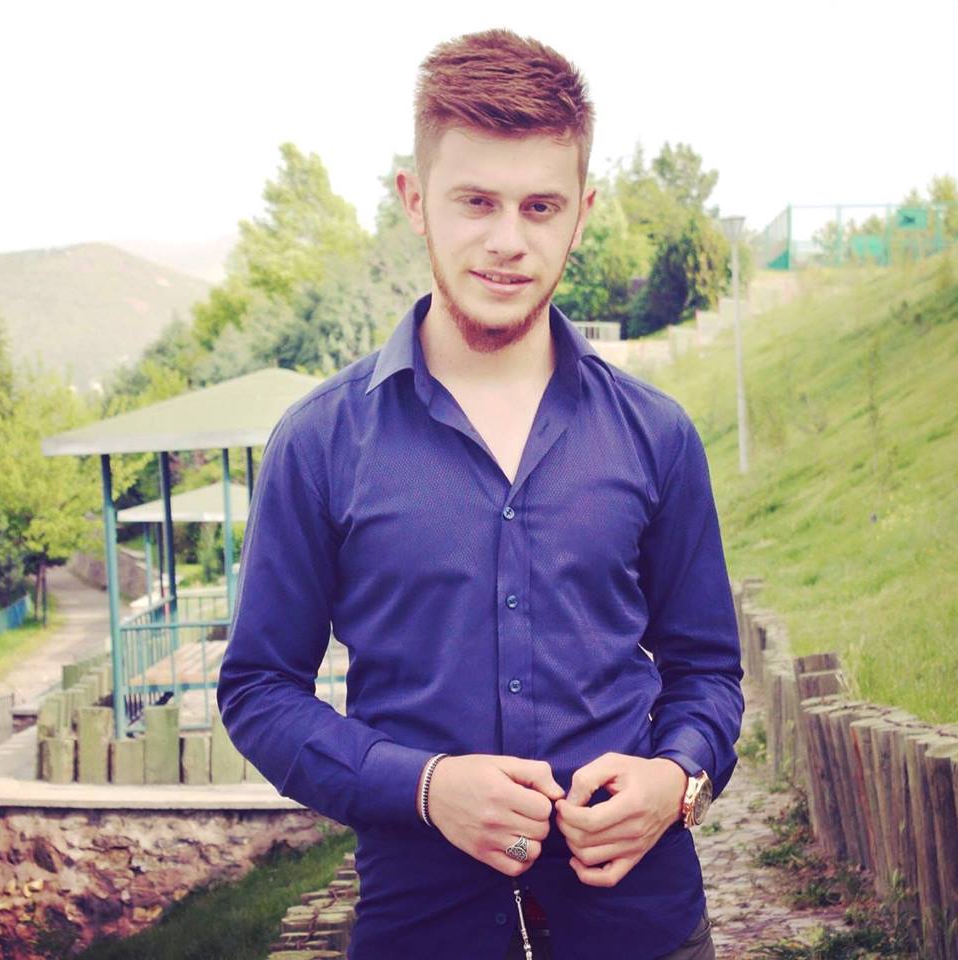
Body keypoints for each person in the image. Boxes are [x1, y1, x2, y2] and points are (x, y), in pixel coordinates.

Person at [217, 28, 743, 960]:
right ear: (414, 200)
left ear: (582, 213)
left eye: (540, 206)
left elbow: (708, 673)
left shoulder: (658, 434)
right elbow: (260, 690)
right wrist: (422, 788)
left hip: (645, 926)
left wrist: (679, 780)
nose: (508, 241)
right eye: (476, 202)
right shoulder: (319, 442)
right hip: (423, 928)